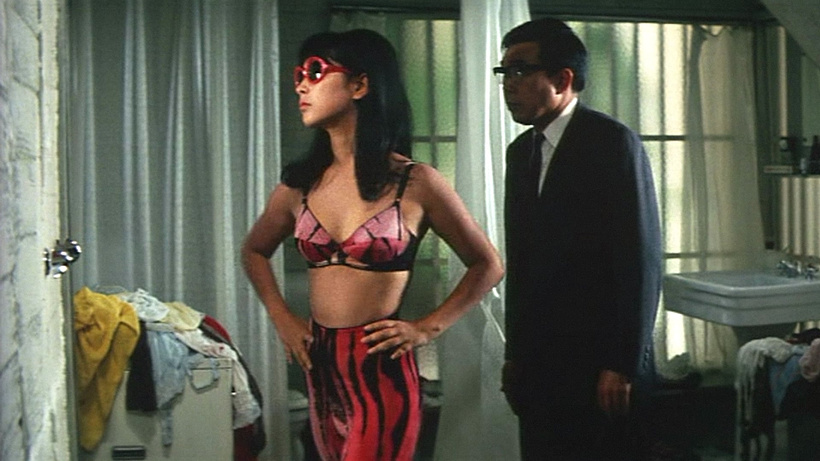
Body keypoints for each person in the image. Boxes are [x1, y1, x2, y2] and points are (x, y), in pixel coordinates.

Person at [242, 29, 504, 461]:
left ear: (360, 84)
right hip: (321, 373)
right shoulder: (298, 185)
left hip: (380, 374)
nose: (301, 86)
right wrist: (281, 316)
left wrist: (427, 328)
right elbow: (253, 251)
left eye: (315, 71)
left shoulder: (416, 182)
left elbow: (487, 263)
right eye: (298, 75)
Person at [496, 18, 663, 460]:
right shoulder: (521, 153)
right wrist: (515, 354)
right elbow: (522, 262)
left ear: (562, 79)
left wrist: (622, 363)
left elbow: (640, 261)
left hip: (599, 362)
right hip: (539, 364)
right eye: (504, 72)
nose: (508, 84)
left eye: (519, 70)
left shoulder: (611, 143)